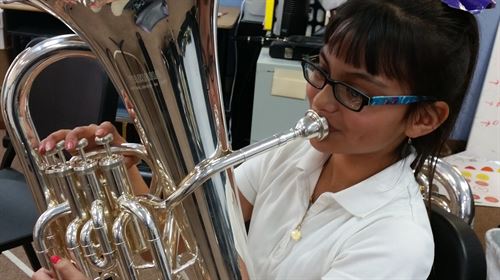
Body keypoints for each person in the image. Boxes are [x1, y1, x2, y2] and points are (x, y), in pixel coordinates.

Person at [33, 0, 482, 279]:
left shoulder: (396, 242)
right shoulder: (295, 151)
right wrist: (125, 174)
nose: (321, 100)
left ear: (423, 118)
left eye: (354, 91)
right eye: (321, 70)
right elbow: (190, 243)